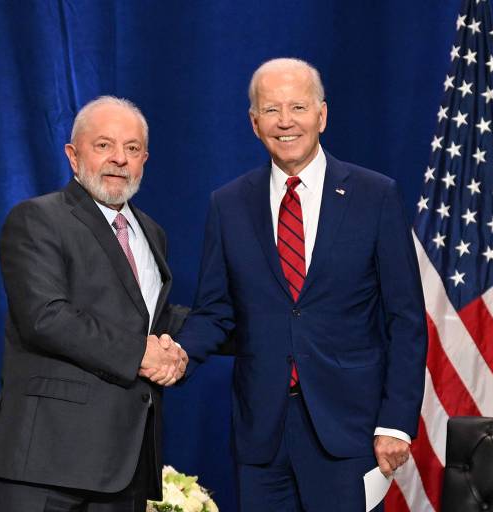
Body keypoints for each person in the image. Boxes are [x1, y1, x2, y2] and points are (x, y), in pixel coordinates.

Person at [177, 58, 427, 511]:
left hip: (348, 431)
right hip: (261, 435)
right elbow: (214, 311)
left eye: (298, 107)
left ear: (322, 115)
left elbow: (405, 318)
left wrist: (396, 422)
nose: (285, 122)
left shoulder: (375, 196)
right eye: (271, 110)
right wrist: (176, 355)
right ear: (254, 124)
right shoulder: (228, 205)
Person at [0, 96, 189, 512]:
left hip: (123, 467)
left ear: (145, 159)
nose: (119, 159)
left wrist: (221, 332)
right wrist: (141, 355)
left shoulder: (152, 233)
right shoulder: (37, 219)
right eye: (104, 145)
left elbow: (153, 320)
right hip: (45, 463)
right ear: (73, 156)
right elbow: (45, 317)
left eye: (131, 149)